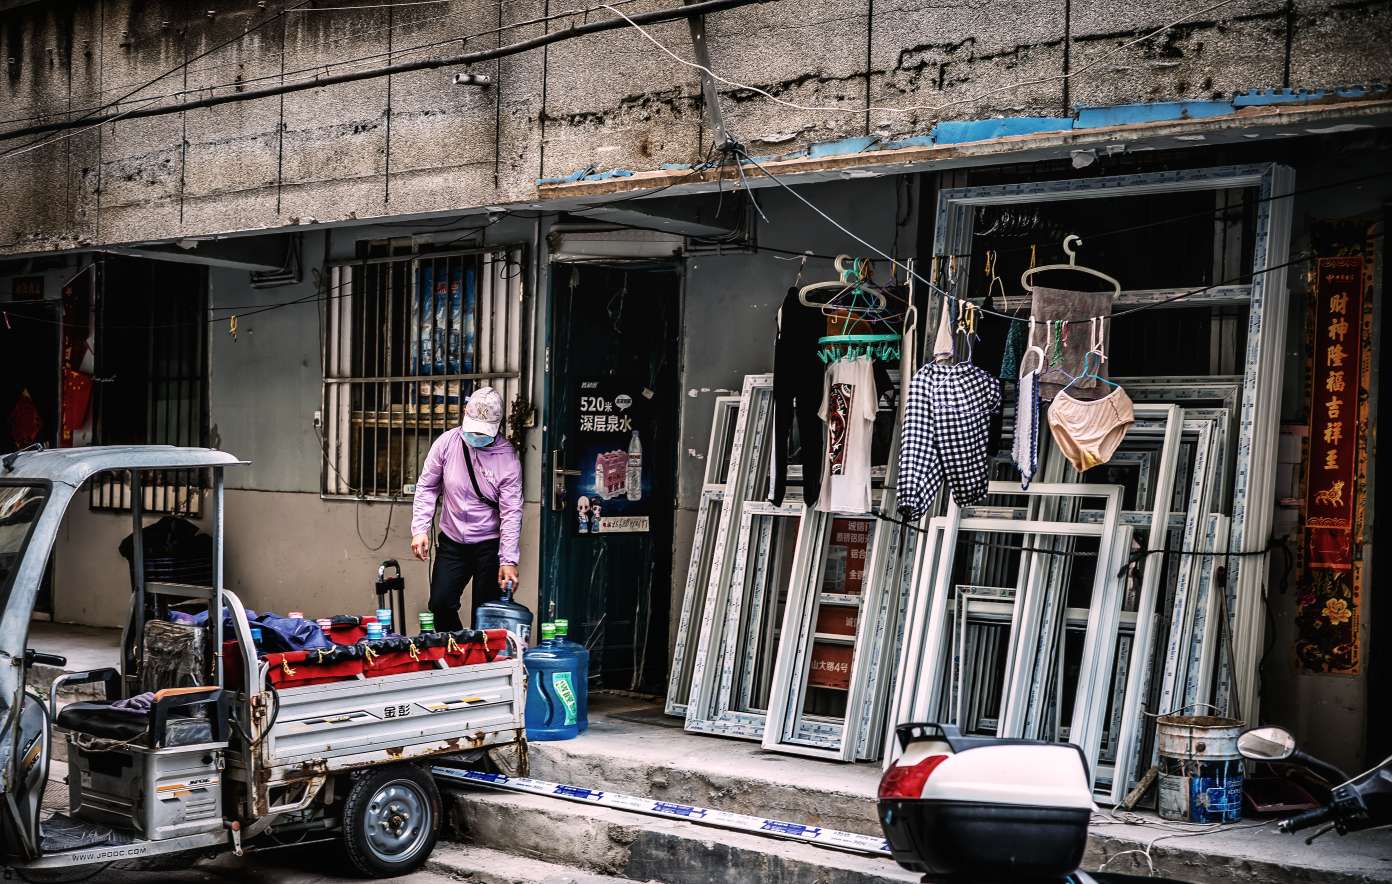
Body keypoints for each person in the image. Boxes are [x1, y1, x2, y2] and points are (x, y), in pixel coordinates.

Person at [411, 387, 523, 632]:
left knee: (485, 616)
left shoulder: (508, 460)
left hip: (489, 545)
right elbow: (427, 486)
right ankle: (458, 654)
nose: (475, 437)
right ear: (464, 414)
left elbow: (511, 512)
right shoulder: (447, 443)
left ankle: (479, 664)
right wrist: (420, 529)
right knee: (440, 603)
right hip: (453, 542)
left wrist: (508, 559)